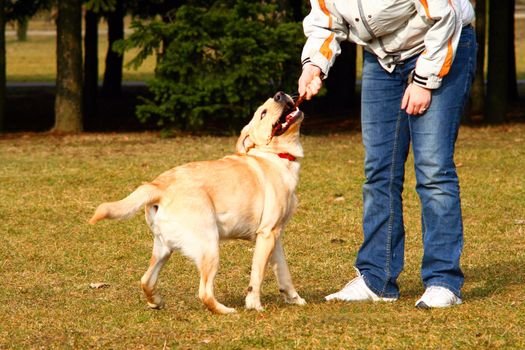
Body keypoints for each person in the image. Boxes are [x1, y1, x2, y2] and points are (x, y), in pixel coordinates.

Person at [298, 0, 476, 308]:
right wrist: (314, 64)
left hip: (441, 42)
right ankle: (376, 279)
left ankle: (442, 280)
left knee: (433, 169)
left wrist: (424, 80)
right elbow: (326, 20)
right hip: (383, 59)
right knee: (379, 170)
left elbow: (443, 15)